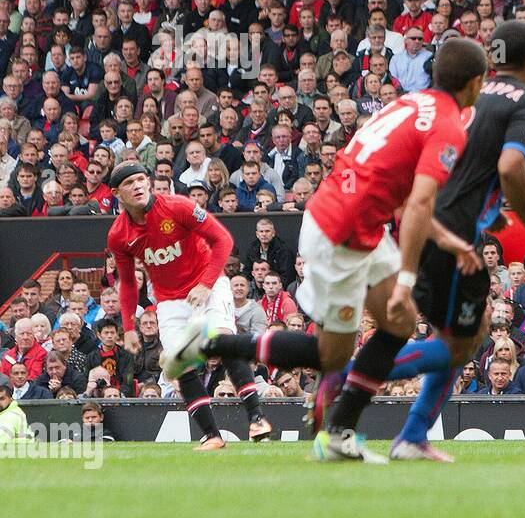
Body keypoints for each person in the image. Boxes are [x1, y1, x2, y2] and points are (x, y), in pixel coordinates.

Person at [174, 39, 487, 463]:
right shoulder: (449, 126)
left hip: (356, 220)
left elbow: (395, 191)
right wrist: (408, 278)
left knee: (400, 322)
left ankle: (340, 432)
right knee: (331, 353)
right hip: (340, 233)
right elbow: (416, 204)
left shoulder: (410, 105)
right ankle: (212, 345)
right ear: (475, 83)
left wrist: (446, 241)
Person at [337, 21, 525, 457]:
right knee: (463, 342)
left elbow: (463, 162)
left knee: (462, 336)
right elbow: (512, 167)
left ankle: (411, 434)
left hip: (427, 223)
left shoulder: (467, 99)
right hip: (453, 235)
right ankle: (356, 378)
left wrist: (489, 215)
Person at [105, 163, 271, 451]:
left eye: (142, 179)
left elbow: (223, 240)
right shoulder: (118, 234)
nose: (139, 186)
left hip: (207, 283)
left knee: (223, 343)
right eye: (130, 183)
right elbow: (129, 282)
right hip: (169, 300)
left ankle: (257, 418)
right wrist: (128, 326)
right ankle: (212, 436)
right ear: (117, 193)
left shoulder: (178, 206)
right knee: (177, 363)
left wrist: (206, 283)